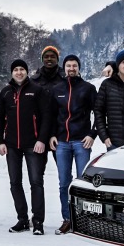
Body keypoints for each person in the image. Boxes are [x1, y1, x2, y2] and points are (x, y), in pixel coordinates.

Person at [0, 59, 54, 235]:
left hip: (33, 144)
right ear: (12, 73)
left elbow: (46, 117)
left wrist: (42, 140)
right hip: (12, 145)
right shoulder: (5, 92)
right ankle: (22, 219)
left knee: (36, 182)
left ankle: (37, 222)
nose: (19, 72)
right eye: (16, 70)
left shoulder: (37, 90)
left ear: (26, 72)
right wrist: (0, 141)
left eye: (22, 69)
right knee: (15, 182)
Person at [48, 54, 96, 235]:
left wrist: (92, 134)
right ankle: (67, 219)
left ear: (79, 68)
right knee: (64, 183)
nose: (71, 69)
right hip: (62, 143)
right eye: (68, 66)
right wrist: (51, 135)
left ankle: (84, 220)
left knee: (83, 184)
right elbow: (51, 115)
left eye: (74, 66)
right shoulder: (57, 88)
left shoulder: (88, 88)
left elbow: (99, 114)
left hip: (81, 142)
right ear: (64, 68)